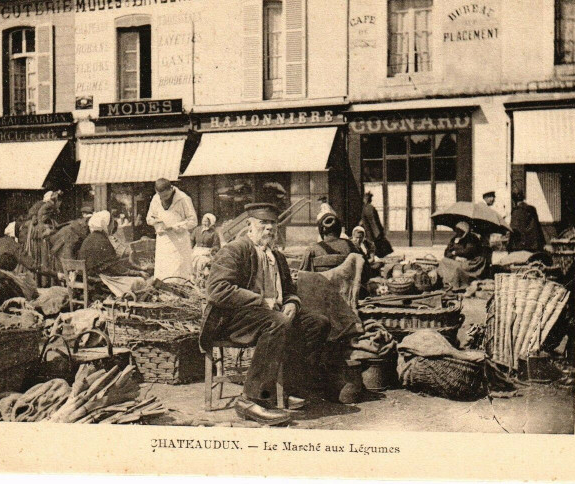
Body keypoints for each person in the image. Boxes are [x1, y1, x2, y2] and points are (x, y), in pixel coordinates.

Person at [200, 203, 331, 426]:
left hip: (269, 317)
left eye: (273, 223)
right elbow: (218, 290)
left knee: (318, 323)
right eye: (263, 223)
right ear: (250, 225)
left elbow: (290, 291)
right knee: (278, 323)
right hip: (234, 319)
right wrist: (261, 300)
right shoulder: (235, 250)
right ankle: (250, 400)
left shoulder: (277, 256)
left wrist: (292, 304)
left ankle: (284, 388)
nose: (269, 228)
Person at [146, 178, 197, 281]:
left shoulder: (183, 199)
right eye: (161, 196)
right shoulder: (156, 199)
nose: (163, 199)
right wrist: (156, 222)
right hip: (163, 240)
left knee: (178, 273)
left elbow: (193, 221)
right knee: (163, 272)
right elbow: (149, 218)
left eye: (165, 196)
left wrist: (177, 226)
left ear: (171, 189)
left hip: (179, 242)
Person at [77, 211, 148, 277]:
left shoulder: (90, 238)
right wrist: (138, 273)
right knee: (138, 282)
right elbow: (115, 268)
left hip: (86, 276)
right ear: (106, 225)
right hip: (98, 280)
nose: (113, 227)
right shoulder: (103, 241)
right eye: (111, 224)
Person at [440, 220, 490, 288]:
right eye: (456, 230)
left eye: (459, 230)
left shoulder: (472, 238)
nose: (457, 232)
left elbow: (469, 251)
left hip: (471, 261)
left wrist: (456, 252)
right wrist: (455, 257)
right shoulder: (454, 239)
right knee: (443, 261)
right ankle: (448, 282)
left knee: (458, 268)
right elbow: (446, 252)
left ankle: (458, 284)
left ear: (465, 231)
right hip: (457, 259)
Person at [49, 207, 92, 274]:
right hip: (68, 240)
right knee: (67, 262)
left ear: (84, 214)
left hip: (63, 239)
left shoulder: (78, 222)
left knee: (64, 262)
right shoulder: (88, 221)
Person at [360, 191, 392, 258]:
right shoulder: (369, 207)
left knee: (372, 243)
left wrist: (377, 229)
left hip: (370, 228)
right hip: (370, 228)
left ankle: (374, 256)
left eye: (365, 198)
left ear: (366, 199)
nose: (364, 200)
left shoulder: (368, 208)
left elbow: (373, 220)